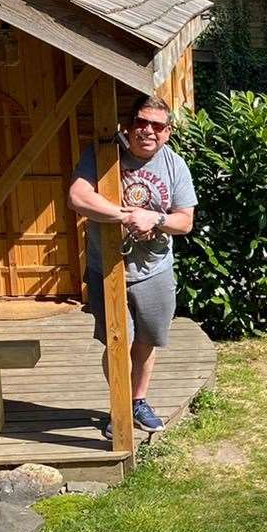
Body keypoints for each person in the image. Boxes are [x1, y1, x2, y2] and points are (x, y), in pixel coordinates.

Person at [68, 95, 196, 438]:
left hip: (155, 270)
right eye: (142, 122)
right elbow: (78, 197)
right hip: (107, 268)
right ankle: (120, 406)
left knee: (146, 341)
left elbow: (184, 222)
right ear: (129, 125)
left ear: (167, 132)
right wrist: (125, 215)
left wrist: (154, 218)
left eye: (157, 125)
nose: (148, 131)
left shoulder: (174, 165)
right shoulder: (103, 157)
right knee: (117, 341)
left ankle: (138, 400)